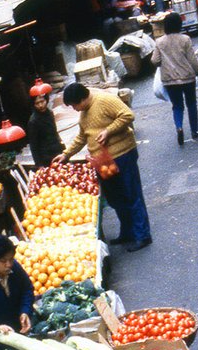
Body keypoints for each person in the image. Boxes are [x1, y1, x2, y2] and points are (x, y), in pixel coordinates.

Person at [53, 83, 152, 251]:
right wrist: (66, 154)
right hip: (103, 161)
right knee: (115, 197)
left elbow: (127, 115)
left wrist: (108, 131)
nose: (75, 109)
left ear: (82, 98)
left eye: (75, 105)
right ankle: (127, 231)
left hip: (123, 155)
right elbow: (83, 136)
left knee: (131, 194)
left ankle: (143, 235)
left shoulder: (105, 100)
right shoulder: (84, 113)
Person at [151, 11, 198, 146]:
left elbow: (155, 60)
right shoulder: (185, 39)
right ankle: (194, 130)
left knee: (177, 106)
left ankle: (179, 127)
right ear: (179, 24)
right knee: (191, 104)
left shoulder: (160, 41)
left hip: (169, 80)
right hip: (187, 78)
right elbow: (193, 60)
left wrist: (164, 63)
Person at [26, 93, 64, 168]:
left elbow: (54, 131)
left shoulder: (50, 113)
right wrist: (39, 165)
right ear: (33, 104)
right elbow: (33, 145)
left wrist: (61, 144)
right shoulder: (33, 121)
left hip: (57, 150)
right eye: (37, 103)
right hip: (46, 157)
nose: (40, 105)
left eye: (42, 101)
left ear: (46, 100)